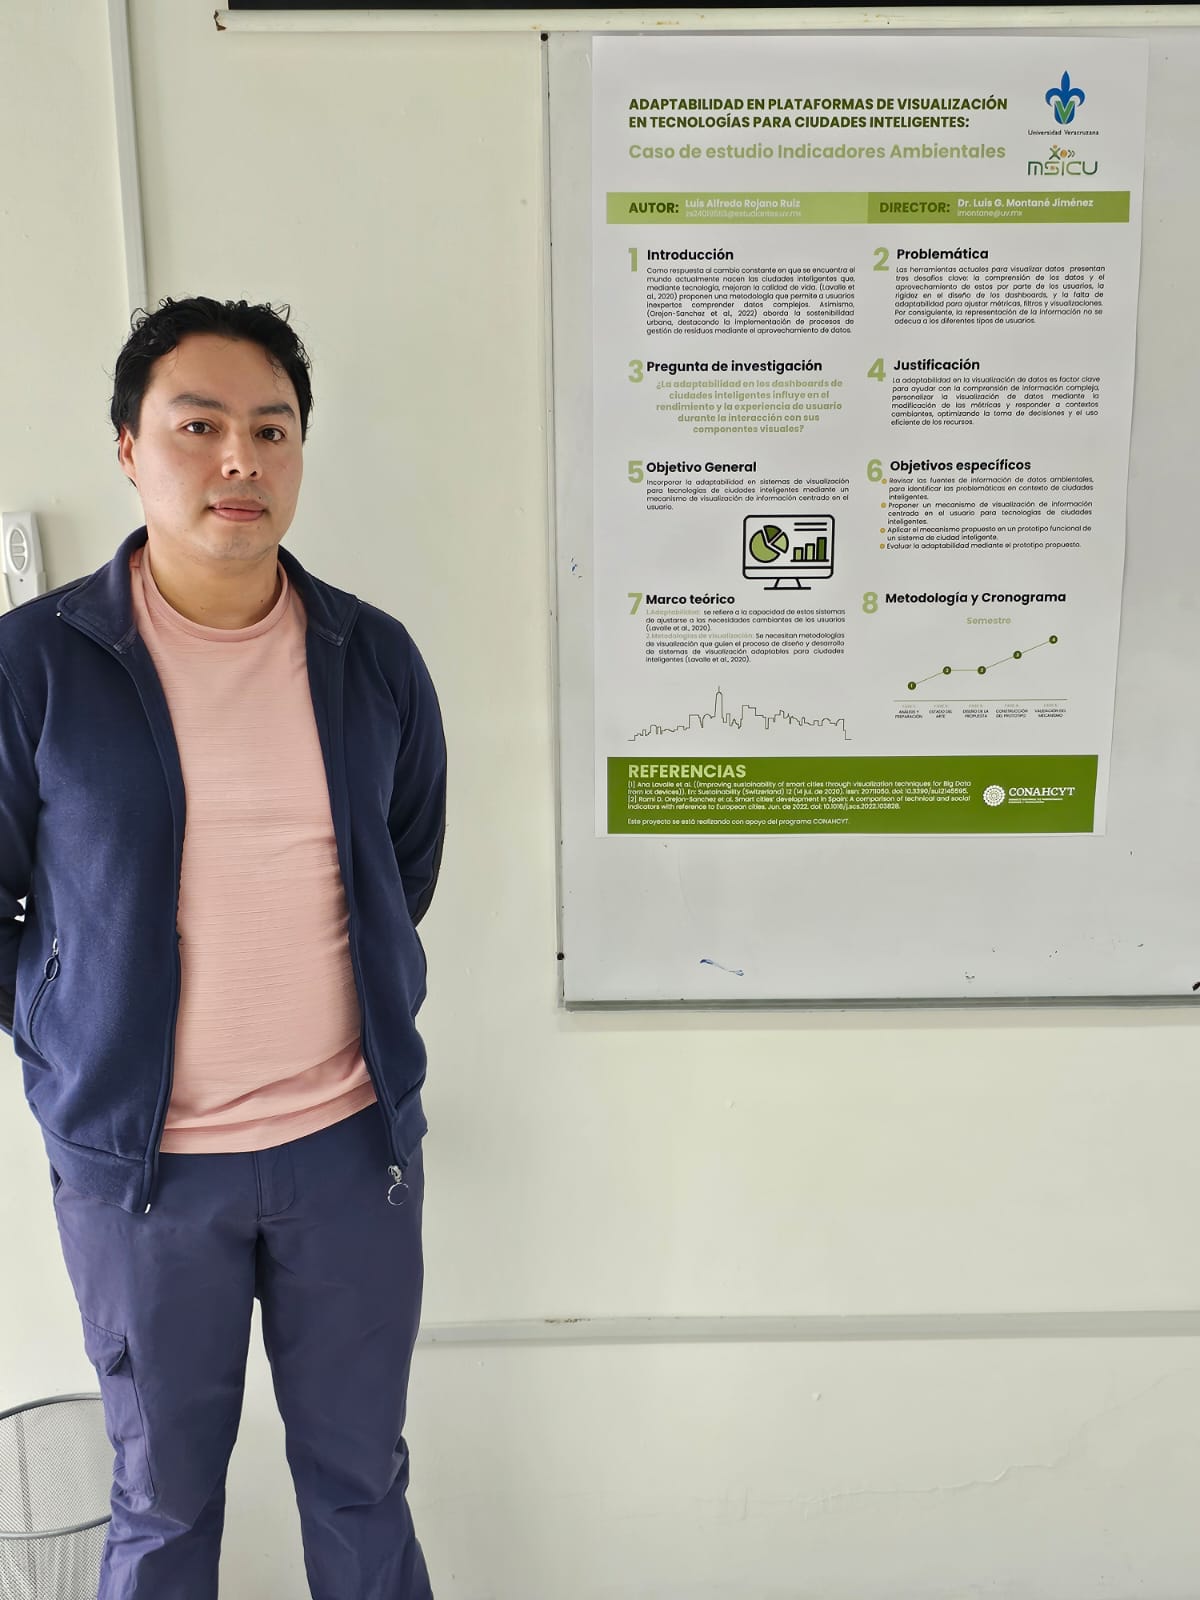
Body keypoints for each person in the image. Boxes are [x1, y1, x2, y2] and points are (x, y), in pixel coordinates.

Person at [0, 296, 446, 1599]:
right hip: (141, 1174)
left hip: (349, 1152)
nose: (240, 459)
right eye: (198, 427)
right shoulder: (35, 664)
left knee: (361, 1483)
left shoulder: (372, 658)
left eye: (272, 428)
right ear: (129, 449)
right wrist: (68, 1022)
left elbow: (402, 867)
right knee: (162, 1500)